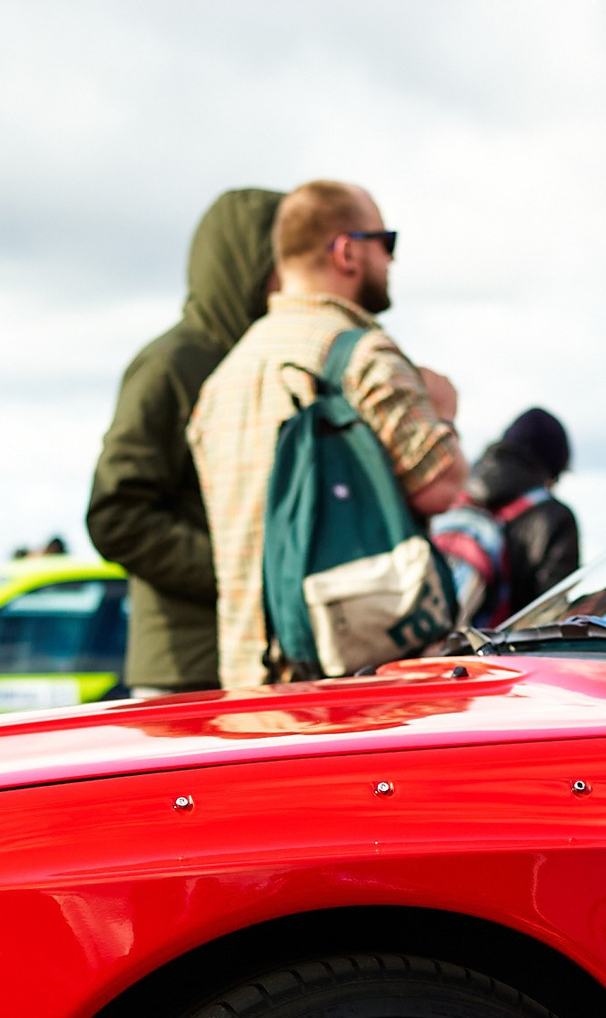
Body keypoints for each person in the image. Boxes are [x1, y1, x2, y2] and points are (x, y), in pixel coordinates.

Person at [188, 180, 466, 687]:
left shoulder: (222, 380)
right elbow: (441, 487)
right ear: (347, 251)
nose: (391, 262)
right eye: (388, 243)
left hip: (244, 679)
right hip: (352, 681)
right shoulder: (363, 355)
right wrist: (442, 410)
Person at [86, 188, 282, 697]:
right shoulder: (170, 364)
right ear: (250, 264)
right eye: (285, 259)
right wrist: (240, 574)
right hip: (187, 667)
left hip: (259, 659)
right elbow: (117, 515)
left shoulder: (273, 360)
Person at [465, 408, 581, 617]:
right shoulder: (555, 517)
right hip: (504, 648)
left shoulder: (455, 492)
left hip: (439, 644)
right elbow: (553, 615)